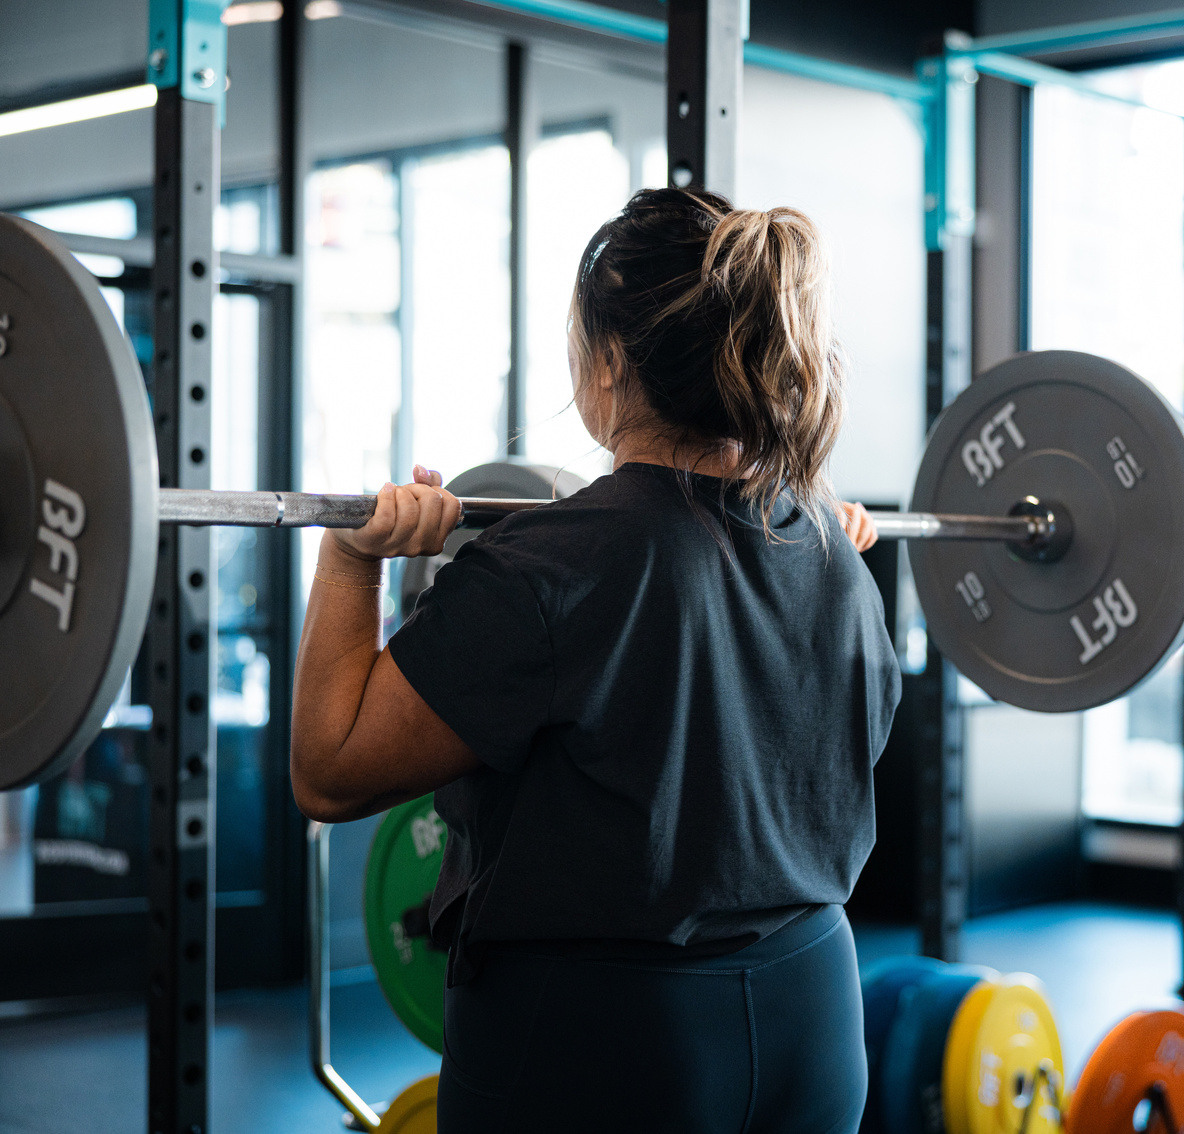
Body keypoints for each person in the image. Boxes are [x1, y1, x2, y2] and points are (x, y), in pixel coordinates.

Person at [289, 187, 901, 1132]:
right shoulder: (830, 548)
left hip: (608, 1045)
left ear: (609, 365)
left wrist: (350, 559)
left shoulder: (551, 564)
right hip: (815, 1014)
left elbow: (329, 772)